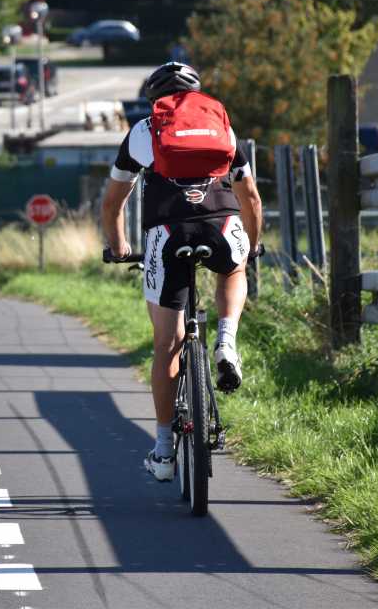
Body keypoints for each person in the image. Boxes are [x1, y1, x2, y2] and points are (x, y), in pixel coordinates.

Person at [100, 62, 263, 482]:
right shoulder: (220, 125)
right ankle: (226, 342)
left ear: (157, 97)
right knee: (232, 271)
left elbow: (112, 202)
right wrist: (253, 244)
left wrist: (119, 247)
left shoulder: (143, 131)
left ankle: (163, 451)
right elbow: (251, 198)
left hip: (167, 235)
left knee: (166, 344)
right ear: (197, 91)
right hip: (222, 226)